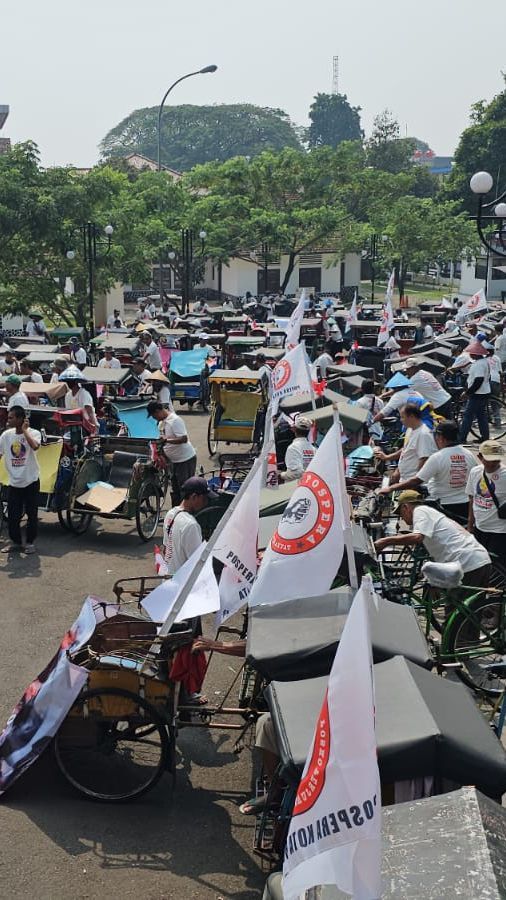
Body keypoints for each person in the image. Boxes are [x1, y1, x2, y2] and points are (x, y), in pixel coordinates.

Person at [374, 490, 491, 588]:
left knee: (456, 611)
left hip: (468, 562)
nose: (403, 519)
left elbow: (417, 537)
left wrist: (386, 541)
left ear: (406, 507)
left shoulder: (420, 511)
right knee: (472, 608)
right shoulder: (429, 512)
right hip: (474, 559)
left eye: (401, 514)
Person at [380, 419, 476, 521]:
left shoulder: (438, 457)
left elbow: (416, 481)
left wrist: (391, 488)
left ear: (441, 437)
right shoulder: (469, 455)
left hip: (443, 506)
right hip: (465, 505)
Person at [0, 405, 41, 555]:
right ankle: (16, 541)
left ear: (20, 419)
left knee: (32, 514)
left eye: (11, 417)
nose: (8, 420)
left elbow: (35, 447)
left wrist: (24, 431)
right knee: (13, 515)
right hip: (14, 482)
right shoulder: (6, 435)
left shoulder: (33, 433)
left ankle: (30, 542)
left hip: (31, 480)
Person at [162, 476, 218, 575]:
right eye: (204, 499)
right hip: (182, 584)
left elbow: (166, 549)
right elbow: (197, 563)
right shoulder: (190, 525)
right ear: (194, 497)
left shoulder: (170, 514)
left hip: (168, 578)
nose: (206, 502)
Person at [147, 400, 197, 504]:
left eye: (153, 416)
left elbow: (184, 439)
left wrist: (166, 440)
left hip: (185, 460)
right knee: (175, 489)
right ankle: (175, 513)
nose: (154, 418)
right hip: (173, 461)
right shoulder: (161, 422)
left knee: (185, 489)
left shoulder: (175, 420)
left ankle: (187, 514)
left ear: (158, 411)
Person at [374, 402, 436, 484]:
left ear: (411, 417)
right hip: (405, 480)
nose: (401, 420)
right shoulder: (410, 430)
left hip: (414, 483)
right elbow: (405, 450)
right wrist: (388, 459)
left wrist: (416, 482)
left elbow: (424, 459)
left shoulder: (423, 434)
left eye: (402, 417)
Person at [466, 440, 506, 557]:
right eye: (489, 460)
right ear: (480, 457)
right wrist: (470, 526)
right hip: (479, 528)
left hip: (500, 531)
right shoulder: (475, 472)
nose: (493, 463)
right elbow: (472, 498)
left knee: (497, 569)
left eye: (496, 460)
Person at [458, 340, 491, 443]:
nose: (470, 355)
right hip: (484, 392)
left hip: (477, 394)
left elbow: (478, 380)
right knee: (481, 416)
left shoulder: (479, 365)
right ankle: (485, 437)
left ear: (475, 354)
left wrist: (468, 393)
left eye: (472, 353)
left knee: (468, 416)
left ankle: (462, 438)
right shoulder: (484, 362)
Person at [61, 367, 99, 434]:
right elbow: (68, 411)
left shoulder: (84, 394)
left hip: (86, 424)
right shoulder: (68, 395)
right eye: (68, 381)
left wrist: (94, 426)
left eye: (71, 381)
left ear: (76, 382)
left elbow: (89, 411)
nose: (69, 383)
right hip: (73, 425)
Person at [280, 415, 315, 482]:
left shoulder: (293, 448)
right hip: (309, 485)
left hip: (297, 487)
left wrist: (280, 475)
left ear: (294, 429)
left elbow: (296, 473)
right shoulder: (314, 449)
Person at [484, 342, 503, 427]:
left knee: (484, 401)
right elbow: (500, 371)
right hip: (497, 380)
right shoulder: (497, 358)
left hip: (489, 381)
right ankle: (497, 421)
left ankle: (485, 419)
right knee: (494, 401)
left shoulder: (484, 360)